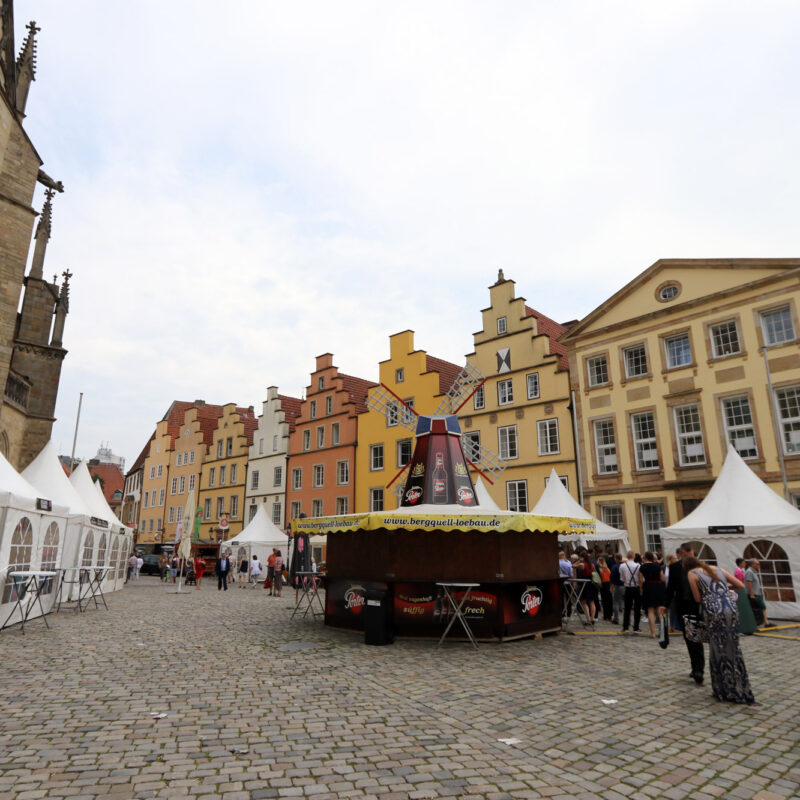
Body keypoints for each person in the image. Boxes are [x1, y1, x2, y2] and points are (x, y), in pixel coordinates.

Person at [685, 556, 755, 704]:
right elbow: (740, 585)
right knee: (733, 647)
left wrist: (710, 594)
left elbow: (697, 598)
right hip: (730, 607)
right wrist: (725, 589)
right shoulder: (718, 569)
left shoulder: (692, 574)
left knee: (717, 648)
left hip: (713, 610)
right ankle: (739, 686)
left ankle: (722, 689)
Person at [660, 542, 704, 684]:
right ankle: (695, 667)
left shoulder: (701, 566)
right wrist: (665, 605)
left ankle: (699, 669)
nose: (687, 558)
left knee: (696, 637)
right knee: (688, 637)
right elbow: (670, 588)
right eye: (685, 556)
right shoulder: (674, 567)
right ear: (681, 554)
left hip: (697, 606)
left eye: (689, 555)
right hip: (682, 605)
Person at [639, 551, 665, 637]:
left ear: (645, 558)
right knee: (659, 610)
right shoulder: (657, 566)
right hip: (657, 587)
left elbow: (640, 579)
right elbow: (662, 578)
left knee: (650, 610)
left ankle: (652, 632)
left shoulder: (642, 567)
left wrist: (641, 587)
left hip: (648, 587)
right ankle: (662, 632)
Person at [744, 559, 771, 628]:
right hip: (754, 594)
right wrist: (751, 594)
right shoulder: (749, 572)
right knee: (761, 607)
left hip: (757, 593)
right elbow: (749, 583)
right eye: (757, 564)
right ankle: (764, 622)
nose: (759, 565)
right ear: (752, 565)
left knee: (761, 607)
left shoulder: (753, 572)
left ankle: (765, 622)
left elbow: (754, 583)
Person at [619, 550, 641, 633]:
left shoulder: (622, 566)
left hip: (628, 587)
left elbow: (622, 578)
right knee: (637, 608)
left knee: (627, 608)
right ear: (634, 557)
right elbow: (640, 578)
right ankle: (636, 627)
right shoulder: (638, 565)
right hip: (636, 587)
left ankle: (625, 627)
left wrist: (627, 581)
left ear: (627, 557)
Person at [597, 556, 613, 621]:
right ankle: (610, 615)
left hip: (603, 585)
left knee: (604, 600)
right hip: (608, 584)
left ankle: (606, 615)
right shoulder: (608, 569)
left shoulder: (599, 569)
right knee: (609, 600)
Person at [610, 553, 624, 625]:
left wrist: (611, 587)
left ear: (616, 558)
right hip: (626, 586)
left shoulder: (615, 567)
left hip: (618, 586)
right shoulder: (625, 566)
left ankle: (616, 618)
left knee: (615, 602)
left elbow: (612, 578)